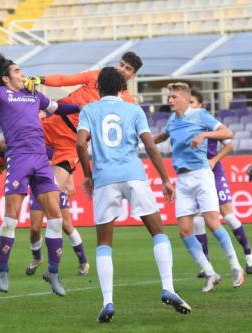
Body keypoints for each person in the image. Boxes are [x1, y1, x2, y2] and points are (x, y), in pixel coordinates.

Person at [0, 52, 144, 277]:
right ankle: (0, 166)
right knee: (1, 143)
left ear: (132, 77)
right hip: (52, 123)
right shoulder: (96, 76)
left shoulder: (127, 102)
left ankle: (60, 263)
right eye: (121, 64)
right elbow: (67, 79)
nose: (122, 69)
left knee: (53, 200)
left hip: (71, 143)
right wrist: (40, 80)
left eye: (127, 69)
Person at [76, 68, 190, 323]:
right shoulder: (134, 109)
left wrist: (87, 174)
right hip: (134, 175)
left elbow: (80, 144)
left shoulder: (89, 111)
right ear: (121, 88)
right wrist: (164, 179)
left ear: (98, 88)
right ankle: (168, 287)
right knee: (158, 231)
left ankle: (107, 302)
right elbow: (150, 145)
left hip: (105, 179)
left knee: (104, 243)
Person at [0, 50, 81, 296]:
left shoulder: (33, 94)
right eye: (18, 71)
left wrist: (83, 107)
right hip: (18, 159)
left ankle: (54, 272)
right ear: (6, 78)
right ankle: (3, 270)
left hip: (41, 161)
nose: (23, 74)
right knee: (12, 217)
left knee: (56, 217)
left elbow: (58, 108)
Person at [154, 82, 244, 293]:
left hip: (202, 175)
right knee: (185, 231)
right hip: (183, 180)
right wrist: (141, 141)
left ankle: (235, 265)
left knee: (213, 223)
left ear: (186, 99)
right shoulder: (172, 120)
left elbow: (227, 133)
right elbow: (161, 137)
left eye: (174, 97)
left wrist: (204, 135)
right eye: (169, 96)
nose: (170, 100)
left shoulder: (200, 115)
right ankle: (210, 272)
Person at [189, 89, 252, 277]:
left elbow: (229, 143)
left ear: (200, 105)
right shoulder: (184, 123)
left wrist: (214, 160)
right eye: (189, 102)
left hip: (214, 172)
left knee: (228, 216)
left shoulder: (209, 122)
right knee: (197, 219)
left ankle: (249, 253)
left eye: (193, 102)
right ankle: (206, 264)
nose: (190, 106)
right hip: (197, 175)